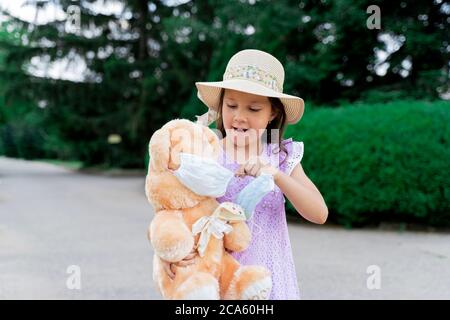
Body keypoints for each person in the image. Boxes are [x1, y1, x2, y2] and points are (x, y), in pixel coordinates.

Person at [162, 49, 328, 300]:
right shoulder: (204, 153)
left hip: (270, 280)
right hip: (217, 281)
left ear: (273, 113)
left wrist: (277, 176)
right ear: (220, 106)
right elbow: (170, 212)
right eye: (231, 105)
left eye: (253, 108)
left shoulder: (281, 156)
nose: (239, 116)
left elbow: (319, 213)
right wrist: (172, 251)